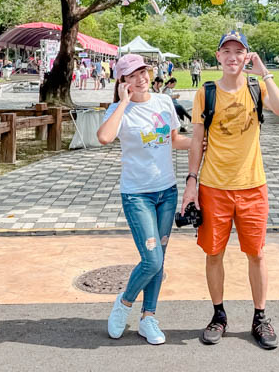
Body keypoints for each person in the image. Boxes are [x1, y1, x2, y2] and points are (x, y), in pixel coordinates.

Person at [181, 30, 279, 350]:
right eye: (226, 51)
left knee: (256, 253)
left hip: (253, 186)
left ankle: (260, 317)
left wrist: (264, 72)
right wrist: (191, 182)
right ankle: (219, 315)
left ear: (247, 56)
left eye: (238, 52)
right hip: (214, 187)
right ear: (218, 57)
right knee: (214, 253)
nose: (232, 56)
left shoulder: (257, 88)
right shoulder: (206, 92)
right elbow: (197, 140)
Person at [97, 54, 191, 345]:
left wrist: (203, 142)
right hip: (137, 194)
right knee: (151, 260)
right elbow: (104, 138)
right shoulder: (118, 110)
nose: (140, 78)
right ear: (122, 81)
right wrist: (124, 102)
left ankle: (148, 317)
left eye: (143, 72)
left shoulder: (164, 103)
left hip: (167, 192)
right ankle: (123, 304)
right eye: (132, 75)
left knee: (159, 260)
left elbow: (174, 140)